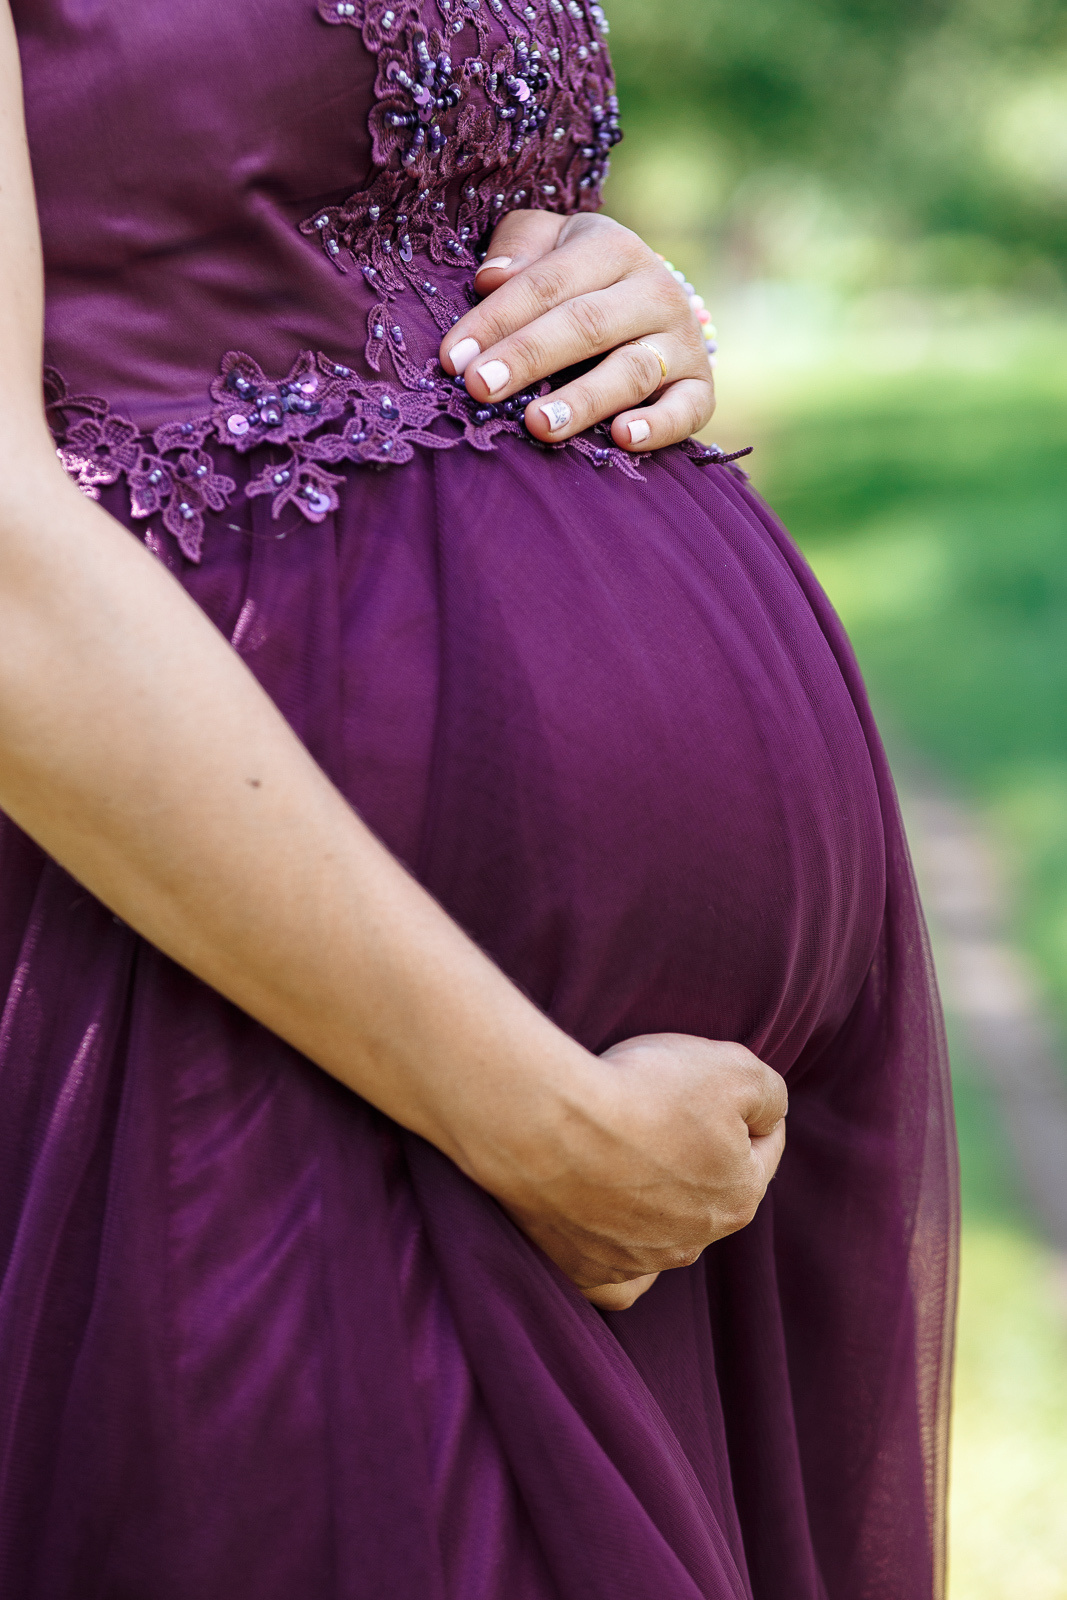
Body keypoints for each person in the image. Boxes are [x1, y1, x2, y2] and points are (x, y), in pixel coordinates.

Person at [0, 1, 958, 1596]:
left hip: (640, 1190)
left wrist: (611, 289)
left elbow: (324, 221)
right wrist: (535, 1118)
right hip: (281, 1059)